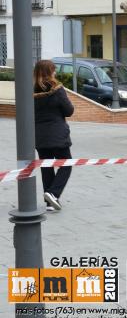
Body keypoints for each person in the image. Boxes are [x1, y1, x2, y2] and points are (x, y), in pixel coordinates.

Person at [33, 60, 74, 212]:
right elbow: (69, 111)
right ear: (50, 72)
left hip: (40, 135)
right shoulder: (57, 89)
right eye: (54, 70)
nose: (55, 73)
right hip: (58, 135)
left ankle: (50, 203)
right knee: (67, 164)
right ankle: (53, 193)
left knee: (46, 166)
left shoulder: (30, 90)